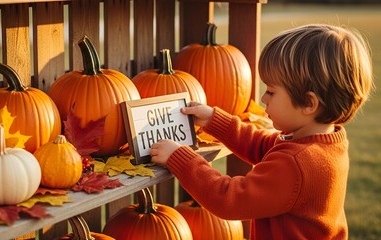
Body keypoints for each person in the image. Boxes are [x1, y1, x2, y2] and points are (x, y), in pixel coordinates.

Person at [150, 24, 373, 239]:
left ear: (308, 103)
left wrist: (180, 158)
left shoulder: (296, 163)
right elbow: (263, 145)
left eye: (271, 92)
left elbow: (229, 199)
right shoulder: (324, 143)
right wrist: (214, 120)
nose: (264, 99)